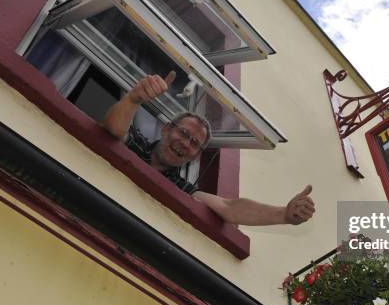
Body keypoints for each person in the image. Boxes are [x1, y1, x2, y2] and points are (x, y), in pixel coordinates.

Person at [103, 72, 315, 226]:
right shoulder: (136, 143)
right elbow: (114, 129)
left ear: (195, 156)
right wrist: (134, 99)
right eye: (184, 134)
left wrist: (284, 215)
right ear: (167, 129)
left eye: (195, 144)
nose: (186, 144)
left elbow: (229, 207)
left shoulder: (181, 187)